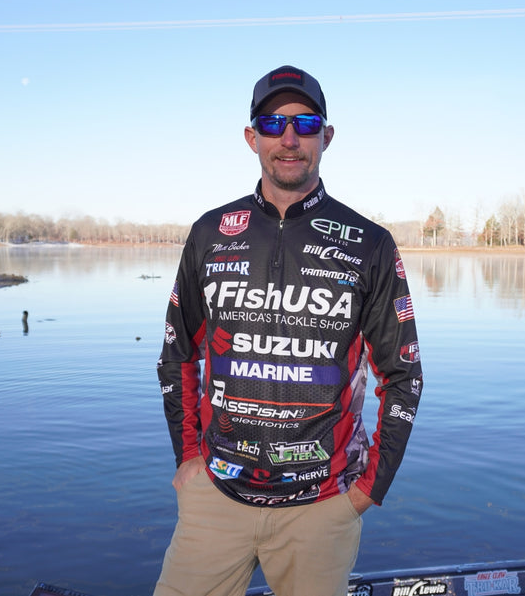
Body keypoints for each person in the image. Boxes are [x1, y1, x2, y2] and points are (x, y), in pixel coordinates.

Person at [153, 65, 423, 596]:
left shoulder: (368, 243)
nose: (290, 138)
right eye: (273, 124)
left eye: (306, 123)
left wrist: (370, 488)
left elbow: (404, 375)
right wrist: (187, 457)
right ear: (252, 137)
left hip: (322, 506)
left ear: (327, 136)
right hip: (216, 495)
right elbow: (177, 354)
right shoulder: (211, 232)